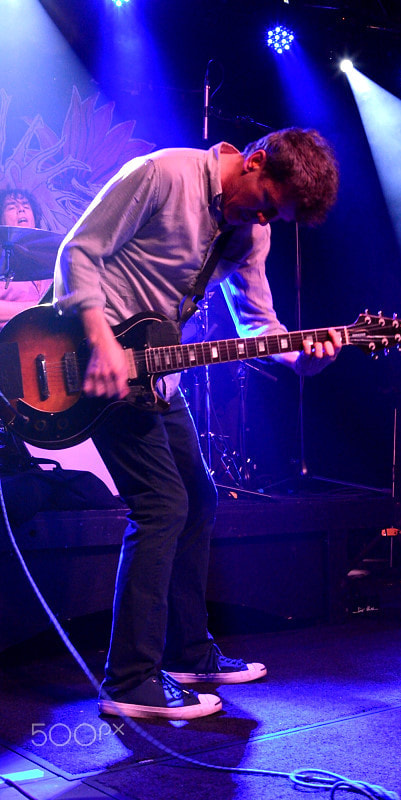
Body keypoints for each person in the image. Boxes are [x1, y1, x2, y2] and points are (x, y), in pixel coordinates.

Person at [54, 127, 342, 721]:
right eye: (264, 203)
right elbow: (77, 252)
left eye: (273, 216)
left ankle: (189, 654)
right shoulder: (162, 174)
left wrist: (302, 358)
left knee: (201, 501)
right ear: (254, 161)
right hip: (93, 359)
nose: (263, 219)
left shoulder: (251, 232)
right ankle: (130, 680)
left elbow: (257, 325)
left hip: (159, 375)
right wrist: (101, 338)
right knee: (162, 505)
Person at [0, 188, 52, 328]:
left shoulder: (51, 257)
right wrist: (39, 308)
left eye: (26, 206)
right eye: (12, 207)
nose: (21, 210)